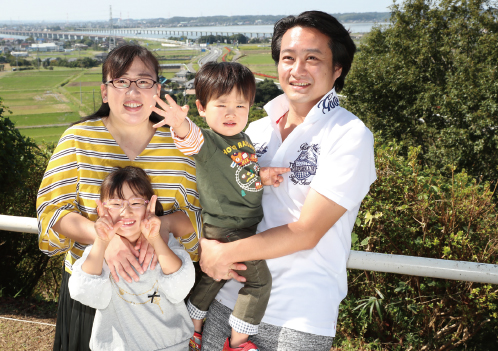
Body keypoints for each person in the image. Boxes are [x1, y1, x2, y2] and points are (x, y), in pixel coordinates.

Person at [197, 11, 377, 351]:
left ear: (337, 68)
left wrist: (221, 253)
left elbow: (308, 231)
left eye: (313, 58)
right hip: (227, 300)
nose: (297, 70)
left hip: (297, 318)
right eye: (288, 58)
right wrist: (204, 246)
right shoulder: (255, 129)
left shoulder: (349, 135)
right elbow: (214, 194)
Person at [36, 44, 201, 351]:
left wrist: (161, 230)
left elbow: (196, 215)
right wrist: (104, 240)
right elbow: (53, 212)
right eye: (121, 82)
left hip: (160, 296)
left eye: (143, 81)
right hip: (93, 291)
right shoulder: (78, 139)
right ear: (104, 91)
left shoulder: (180, 147)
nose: (132, 91)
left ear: (158, 89)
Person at [152, 62, 289, 351]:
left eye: (241, 106)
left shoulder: (244, 139)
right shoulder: (210, 142)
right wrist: (179, 122)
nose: (231, 113)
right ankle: (238, 343)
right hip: (230, 228)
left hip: (235, 227)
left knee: (214, 278)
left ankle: (193, 329)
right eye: (222, 104)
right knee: (259, 283)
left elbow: (240, 175)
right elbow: (190, 138)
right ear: (202, 108)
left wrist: (262, 176)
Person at [68, 166, 195, 351]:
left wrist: (156, 240)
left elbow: (181, 288)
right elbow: (84, 292)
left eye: (135, 203)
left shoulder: (165, 244)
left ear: (149, 206)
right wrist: (102, 242)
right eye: (115, 204)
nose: (126, 211)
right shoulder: (99, 251)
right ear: (102, 209)